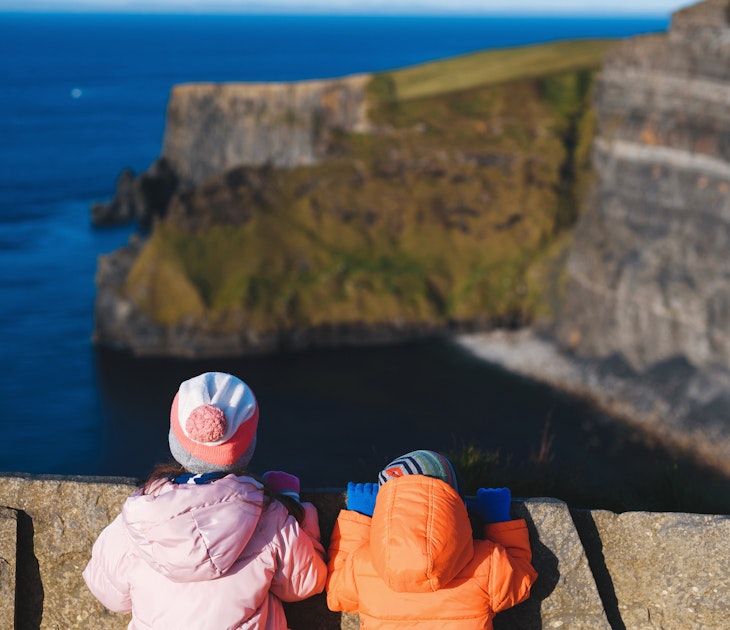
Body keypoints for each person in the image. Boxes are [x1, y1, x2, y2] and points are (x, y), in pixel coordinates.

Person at [83, 371, 328, 629]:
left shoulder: (136, 521)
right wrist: (294, 508)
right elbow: (305, 583)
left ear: (175, 438)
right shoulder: (268, 518)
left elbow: (109, 594)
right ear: (247, 446)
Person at [326, 449, 537, 629]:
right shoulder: (488, 564)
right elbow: (521, 580)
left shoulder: (363, 565)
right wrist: (498, 520)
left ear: (385, 510)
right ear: (458, 508)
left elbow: (336, 593)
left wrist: (359, 517)